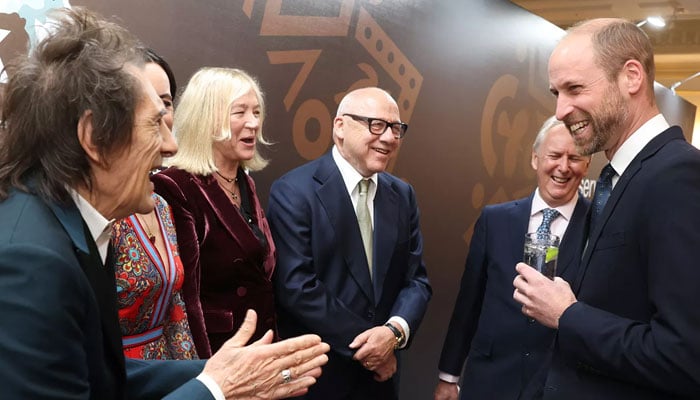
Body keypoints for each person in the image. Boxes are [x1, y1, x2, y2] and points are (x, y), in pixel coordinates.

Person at [0, 7, 328, 400]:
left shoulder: (72, 225)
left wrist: (213, 370)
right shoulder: (32, 261)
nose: (171, 146)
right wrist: (216, 390)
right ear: (95, 137)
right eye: (155, 123)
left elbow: (100, 375)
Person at [512, 18, 700, 399]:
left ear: (631, 76)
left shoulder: (677, 176)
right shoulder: (620, 176)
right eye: (556, 92)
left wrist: (567, 315)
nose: (561, 109)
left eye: (575, 88)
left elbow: (685, 356)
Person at [267, 86, 432, 399]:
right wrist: (373, 349)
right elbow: (297, 287)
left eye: (396, 129)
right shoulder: (294, 191)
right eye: (376, 125)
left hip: (382, 383)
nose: (388, 138)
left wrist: (393, 333)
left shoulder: (402, 195)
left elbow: (417, 281)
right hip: (320, 377)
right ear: (339, 127)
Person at [433, 117, 590, 400]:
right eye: (554, 155)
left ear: (587, 165)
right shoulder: (495, 220)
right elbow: (469, 303)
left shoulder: (599, 228)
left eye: (574, 157)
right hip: (489, 383)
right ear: (535, 158)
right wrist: (449, 376)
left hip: (561, 386)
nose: (563, 167)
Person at [152, 67, 277, 359]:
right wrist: (205, 374)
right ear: (208, 118)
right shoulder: (175, 186)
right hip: (218, 357)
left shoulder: (244, 181)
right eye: (240, 112)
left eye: (256, 112)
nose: (253, 123)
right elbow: (186, 299)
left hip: (260, 352)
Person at [112, 48, 198, 360]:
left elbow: (176, 311)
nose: (161, 117)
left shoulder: (161, 204)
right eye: (148, 106)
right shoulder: (102, 212)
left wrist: (199, 376)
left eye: (166, 103)